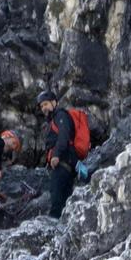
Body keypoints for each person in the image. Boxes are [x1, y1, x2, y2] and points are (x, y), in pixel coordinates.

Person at [38, 89, 77, 218]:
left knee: (57, 198)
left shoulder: (60, 115)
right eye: (42, 106)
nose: (44, 108)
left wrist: (56, 154)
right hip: (64, 163)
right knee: (63, 199)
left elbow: (63, 136)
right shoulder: (53, 120)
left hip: (62, 162)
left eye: (46, 104)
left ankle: (53, 226)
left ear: (54, 103)